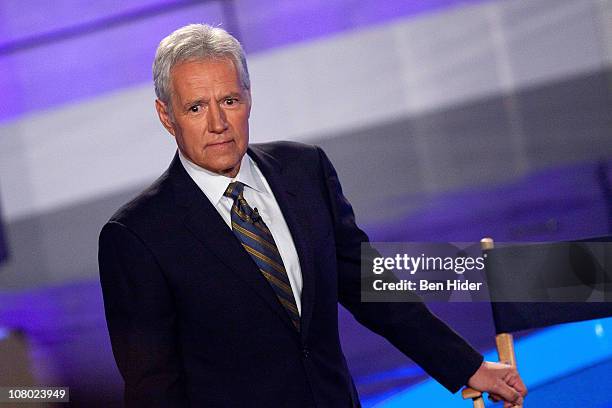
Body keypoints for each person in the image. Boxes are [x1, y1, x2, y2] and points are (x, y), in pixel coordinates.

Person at [98, 24, 527, 408]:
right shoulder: (136, 236)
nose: (217, 123)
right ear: (166, 117)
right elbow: (154, 388)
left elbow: (370, 287)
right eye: (195, 108)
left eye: (228, 100)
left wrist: (466, 366)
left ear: (248, 98)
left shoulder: (305, 171)